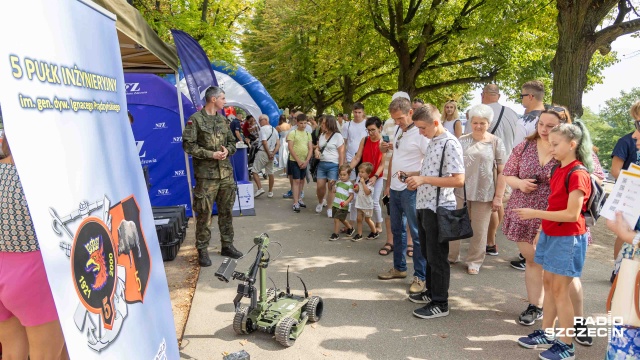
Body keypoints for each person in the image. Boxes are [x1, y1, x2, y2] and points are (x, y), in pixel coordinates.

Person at [514, 121, 594, 360]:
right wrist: (541, 228)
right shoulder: (558, 168)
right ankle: (547, 333)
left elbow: (572, 214)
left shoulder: (578, 173)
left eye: (556, 144)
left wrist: (535, 214)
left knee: (561, 291)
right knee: (549, 285)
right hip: (552, 234)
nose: (551, 149)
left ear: (572, 145)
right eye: (550, 144)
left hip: (568, 238)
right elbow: (554, 203)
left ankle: (567, 345)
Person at [0, 133, 69, 360]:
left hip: (4, 268)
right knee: (46, 354)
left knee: (11, 353)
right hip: (34, 273)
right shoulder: (40, 179)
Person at [405, 104, 465, 319]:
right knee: (429, 253)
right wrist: (414, 175)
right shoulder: (434, 141)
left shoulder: (450, 143)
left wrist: (422, 179)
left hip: (439, 207)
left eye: (423, 128)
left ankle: (441, 302)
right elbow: (430, 171)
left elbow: (458, 180)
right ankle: (431, 293)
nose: (421, 132)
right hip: (425, 204)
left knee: (438, 256)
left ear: (436, 123)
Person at [183, 86, 243, 266]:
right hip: (206, 177)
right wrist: (211, 154)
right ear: (213, 99)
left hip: (225, 175)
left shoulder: (224, 121)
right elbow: (188, 146)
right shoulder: (196, 120)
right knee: (204, 215)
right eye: (223, 98)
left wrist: (227, 150)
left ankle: (227, 245)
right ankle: (202, 250)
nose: (225, 101)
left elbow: (233, 142)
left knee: (226, 212)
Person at [378, 97, 428, 295]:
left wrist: (416, 178)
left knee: (416, 234)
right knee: (397, 230)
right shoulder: (400, 130)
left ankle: (420, 276)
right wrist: (389, 184)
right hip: (396, 189)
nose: (396, 123)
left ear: (410, 113)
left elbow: (428, 163)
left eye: (399, 118)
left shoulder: (421, 133)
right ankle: (399, 268)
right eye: (394, 119)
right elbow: (395, 159)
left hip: (411, 190)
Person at [448, 104, 506, 274]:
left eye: (483, 123)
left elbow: (503, 171)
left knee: (480, 229)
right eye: (475, 122)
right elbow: (452, 165)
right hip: (460, 190)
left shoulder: (495, 142)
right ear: (470, 122)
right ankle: (452, 255)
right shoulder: (461, 140)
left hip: (485, 192)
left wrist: (498, 196)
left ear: (489, 123)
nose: (479, 126)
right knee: (455, 224)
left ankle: (474, 260)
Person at [478, 84, 527, 257]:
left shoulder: (480, 112)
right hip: (509, 163)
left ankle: (489, 241)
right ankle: (492, 240)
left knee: (490, 203)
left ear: (483, 95)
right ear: (498, 96)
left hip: (488, 163)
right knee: (498, 201)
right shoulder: (513, 113)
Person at [378, 92, 415, 257]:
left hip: (409, 177)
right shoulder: (391, 124)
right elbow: (382, 148)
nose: (397, 122)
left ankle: (410, 242)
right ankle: (390, 241)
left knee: (409, 213)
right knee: (391, 211)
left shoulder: (415, 128)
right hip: (389, 173)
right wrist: (385, 146)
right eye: (395, 118)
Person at [610, 100, 640, 263]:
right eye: (637, 122)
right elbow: (615, 171)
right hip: (630, 196)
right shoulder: (626, 141)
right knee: (625, 232)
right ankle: (617, 270)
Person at [349, 116, 384, 237]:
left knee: (374, 201)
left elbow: (383, 163)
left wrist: (375, 176)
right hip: (363, 175)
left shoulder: (383, 142)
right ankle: (351, 223)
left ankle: (379, 223)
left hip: (377, 176)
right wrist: (348, 169)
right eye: (368, 130)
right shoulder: (364, 140)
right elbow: (357, 157)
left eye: (373, 129)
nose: (370, 133)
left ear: (380, 128)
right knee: (354, 198)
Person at [313, 116, 345, 216]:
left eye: (324, 123)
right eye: (321, 123)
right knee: (320, 186)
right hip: (322, 164)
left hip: (333, 165)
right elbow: (318, 147)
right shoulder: (322, 135)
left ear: (330, 124)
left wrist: (341, 168)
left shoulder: (338, 136)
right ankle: (321, 201)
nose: (322, 125)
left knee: (331, 187)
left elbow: (341, 153)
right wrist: (316, 151)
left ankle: (330, 207)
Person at [287, 113, 313, 213]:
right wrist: (298, 160)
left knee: (302, 180)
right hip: (294, 161)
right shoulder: (293, 133)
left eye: (305, 123)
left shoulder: (307, 134)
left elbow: (310, 148)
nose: (303, 125)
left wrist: (306, 161)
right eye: (301, 123)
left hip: (304, 161)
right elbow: (290, 147)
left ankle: (300, 198)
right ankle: (295, 201)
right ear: (297, 123)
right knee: (296, 180)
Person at [251, 114, 279, 198]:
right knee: (270, 172)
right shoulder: (274, 129)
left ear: (266, 120)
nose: (259, 122)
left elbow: (264, 142)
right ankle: (270, 191)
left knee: (254, 171)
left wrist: (268, 153)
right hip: (271, 152)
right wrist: (273, 153)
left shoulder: (262, 129)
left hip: (263, 152)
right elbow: (278, 143)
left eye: (260, 120)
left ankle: (260, 188)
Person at [352, 162, 377, 242]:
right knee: (359, 219)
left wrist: (363, 184)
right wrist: (356, 190)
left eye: (362, 172)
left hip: (367, 205)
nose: (360, 174)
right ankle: (359, 234)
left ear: (369, 173)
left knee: (367, 219)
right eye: (359, 172)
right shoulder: (359, 181)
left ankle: (374, 232)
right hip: (360, 203)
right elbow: (358, 191)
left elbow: (367, 192)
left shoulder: (370, 183)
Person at [342, 102, 368, 180]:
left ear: (363, 112)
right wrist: (344, 157)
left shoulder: (367, 124)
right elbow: (344, 143)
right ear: (353, 112)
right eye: (355, 112)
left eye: (359, 112)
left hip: (364, 158)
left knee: (362, 182)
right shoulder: (347, 125)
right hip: (350, 157)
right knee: (351, 182)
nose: (357, 114)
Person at [329, 164, 355, 240]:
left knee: (336, 219)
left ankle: (335, 234)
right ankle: (350, 228)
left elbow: (351, 195)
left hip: (343, 205)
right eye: (341, 175)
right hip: (336, 204)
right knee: (341, 219)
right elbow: (334, 191)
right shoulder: (338, 182)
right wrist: (333, 185)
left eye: (344, 175)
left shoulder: (350, 185)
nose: (342, 176)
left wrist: (347, 202)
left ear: (349, 174)